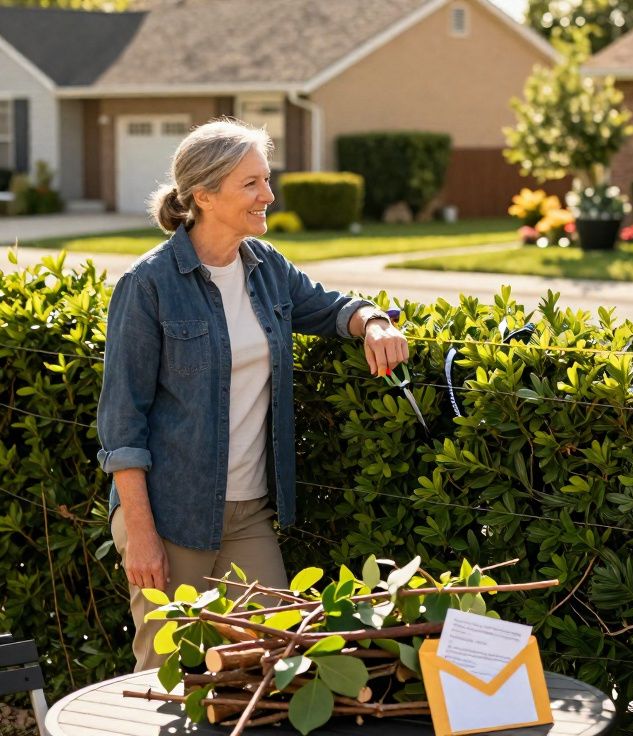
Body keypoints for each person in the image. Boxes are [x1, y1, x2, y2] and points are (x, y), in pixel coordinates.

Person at [97, 119, 410, 670]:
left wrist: (375, 321)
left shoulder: (267, 270)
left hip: (248, 515)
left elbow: (332, 307)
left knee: (273, 661)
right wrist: (142, 536)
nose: (269, 195)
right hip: (171, 518)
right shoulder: (146, 286)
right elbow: (123, 426)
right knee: (167, 675)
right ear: (204, 194)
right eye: (252, 184)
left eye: (266, 179)